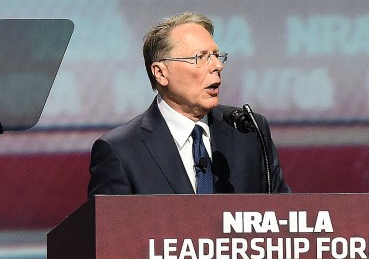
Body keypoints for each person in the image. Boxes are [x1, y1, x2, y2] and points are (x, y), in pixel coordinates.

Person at [87, 12, 290, 198]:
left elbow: (283, 214)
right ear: (161, 73)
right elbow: (109, 226)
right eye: (200, 57)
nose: (217, 66)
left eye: (216, 55)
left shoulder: (249, 132)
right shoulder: (121, 150)